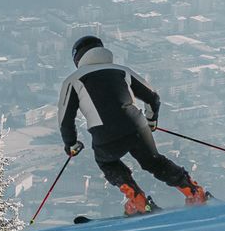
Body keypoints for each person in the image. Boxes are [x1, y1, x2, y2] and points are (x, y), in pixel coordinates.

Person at [58, 35, 208, 216]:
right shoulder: (122, 70)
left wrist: (71, 144)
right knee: (154, 161)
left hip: (105, 134)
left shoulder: (73, 80)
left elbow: (66, 119)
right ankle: (194, 192)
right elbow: (153, 97)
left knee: (107, 162)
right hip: (137, 127)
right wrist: (151, 120)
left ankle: (139, 201)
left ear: (77, 58)